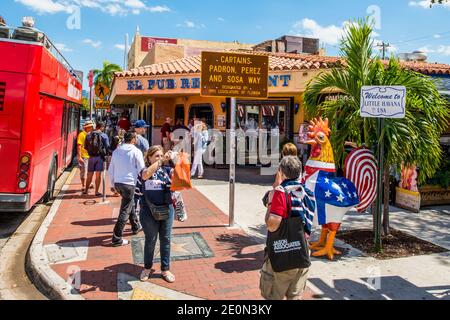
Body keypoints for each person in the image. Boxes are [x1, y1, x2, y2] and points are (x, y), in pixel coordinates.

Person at [262, 156, 313, 300]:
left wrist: (271, 201)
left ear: (282, 172)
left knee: (273, 296)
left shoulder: (281, 192)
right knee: (295, 296)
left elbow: (272, 225)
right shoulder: (307, 192)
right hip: (302, 252)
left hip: (282, 254)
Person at [139, 146, 176, 283]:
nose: (160, 158)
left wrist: (176, 158)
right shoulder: (144, 170)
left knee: (165, 239)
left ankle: (165, 269)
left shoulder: (167, 170)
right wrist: (161, 161)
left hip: (167, 209)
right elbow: (145, 175)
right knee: (151, 239)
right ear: (149, 158)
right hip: (149, 210)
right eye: (156, 156)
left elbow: (181, 175)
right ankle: (147, 268)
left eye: (161, 155)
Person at [109, 132, 145, 246]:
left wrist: (112, 184)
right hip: (129, 183)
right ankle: (117, 237)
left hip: (118, 183)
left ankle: (135, 226)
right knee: (125, 209)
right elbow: (142, 168)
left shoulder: (116, 151)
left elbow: (111, 169)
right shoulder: (136, 151)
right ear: (133, 139)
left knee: (130, 204)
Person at [84, 121, 110, 196]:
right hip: (100, 157)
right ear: (101, 127)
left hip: (91, 157)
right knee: (98, 175)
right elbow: (107, 147)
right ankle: (96, 192)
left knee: (89, 174)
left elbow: (85, 147)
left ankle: (86, 190)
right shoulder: (104, 135)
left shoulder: (88, 135)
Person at [77, 121, 94, 192]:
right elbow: (79, 146)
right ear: (87, 127)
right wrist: (79, 157)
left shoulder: (91, 134)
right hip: (84, 156)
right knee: (83, 172)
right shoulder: (81, 134)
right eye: (91, 127)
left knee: (89, 172)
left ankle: (89, 183)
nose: (92, 128)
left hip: (90, 156)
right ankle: (83, 186)